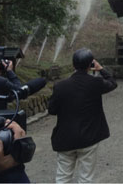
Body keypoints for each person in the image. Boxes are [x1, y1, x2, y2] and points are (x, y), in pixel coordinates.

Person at [48, 48, 117, 183]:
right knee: (86, 178)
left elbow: (52, 110)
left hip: (65, 138)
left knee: (63, 177)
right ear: (90, 64)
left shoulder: (60, 86)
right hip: (89, 137)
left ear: (73, 65)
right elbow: (112, 83)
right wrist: (100, 69)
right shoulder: (95, 83)